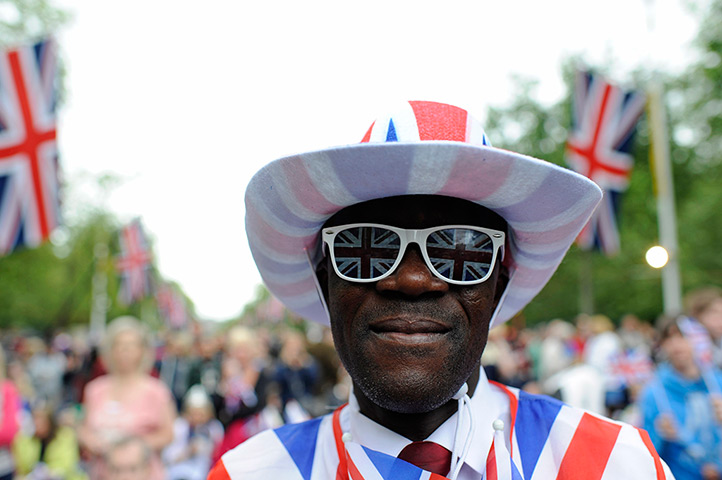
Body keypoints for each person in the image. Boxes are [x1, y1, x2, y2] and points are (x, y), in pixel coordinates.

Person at [209, 101, 672, 479]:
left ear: (498, 285)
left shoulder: (614, 464)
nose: (412, 279)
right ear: (325, 279)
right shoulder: (254, 472)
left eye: (461, 251)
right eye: (366, 246)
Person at [78, 316, 176, 480]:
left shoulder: (157, 391)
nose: (125, 351)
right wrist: (93, 442)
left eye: (131, 346)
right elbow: (83, 428)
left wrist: (133, 447)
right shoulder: (95, 390)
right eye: (119, 345)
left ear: (142, 350)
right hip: (103, 472)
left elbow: (168, 434)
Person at [640, 316, 722, 479]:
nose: (676, 345)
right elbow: (648, 455)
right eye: (668, 338)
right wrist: (660, 434)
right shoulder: (654, 392)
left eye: (682, 336)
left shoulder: (717, 382)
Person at [11, 404, 87, 480]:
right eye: (36, 419)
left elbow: (67, 465)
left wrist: (48, 472)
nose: (38, 424)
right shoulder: (26, 441)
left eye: (41, 420)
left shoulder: (65, 437)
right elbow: (23, 467)